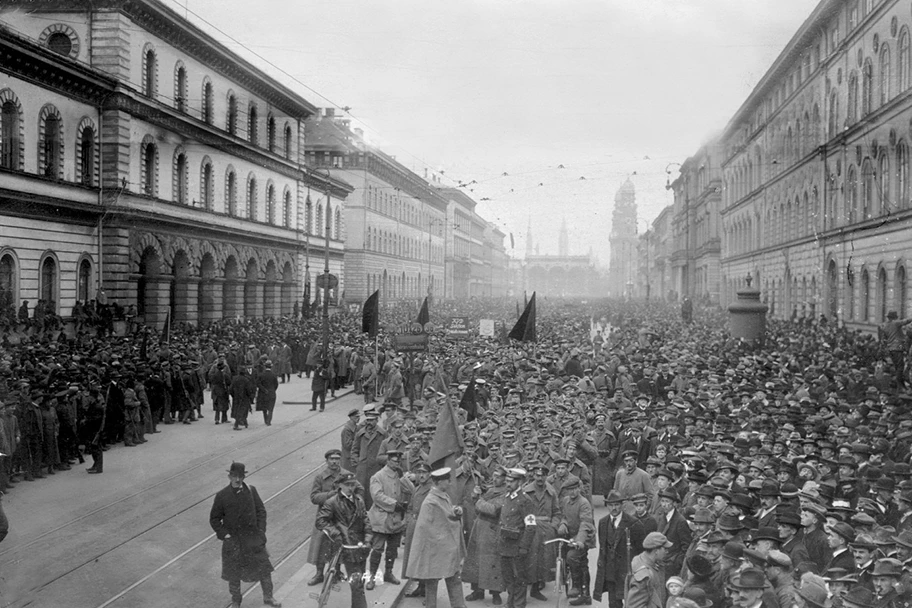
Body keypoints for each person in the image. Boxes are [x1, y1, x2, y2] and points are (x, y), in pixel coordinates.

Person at [208, 462, 282, 608]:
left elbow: (261, 511)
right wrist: (225, 535)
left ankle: (268, 597)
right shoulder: (222, 496)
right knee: (233, 574)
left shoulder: (251, 491)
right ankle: (236, 601)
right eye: (234, 476)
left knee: (264, 569)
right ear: (229, 476)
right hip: (234, 541)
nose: (237, 479)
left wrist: (261, 531)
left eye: (240, 476)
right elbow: (214, 519)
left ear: (244, 476)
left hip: (253, 539)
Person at [405, 467, 467, 608]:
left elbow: (447, 515)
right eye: (447, 480)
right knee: (432, 582)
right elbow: (426, 528)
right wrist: (453, 519)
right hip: (435, 550)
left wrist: (456, 512)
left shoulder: (443, 496)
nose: (449, 483)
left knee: (452, 578)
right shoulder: (430, 502)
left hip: (443, 548)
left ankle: (459, 606)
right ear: (439, 482)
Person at [316, 471, 371, 608]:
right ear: (340, 485)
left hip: (360, 546)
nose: (350, 488)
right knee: (357, 583)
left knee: (360, 581)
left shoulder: (359, 501)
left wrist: (368, 539)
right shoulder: (332, 502)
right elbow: (321, 521)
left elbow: (366, 521)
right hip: (345, 547)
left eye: (352, 485)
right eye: (347, 485)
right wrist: (336, 534)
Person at [365, 449, 414, 590]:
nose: (396, 463)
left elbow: (410, 490)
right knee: (377, 549)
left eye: (398, 461)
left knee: (392, 549)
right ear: (388, 461)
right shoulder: (378, 476)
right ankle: (372, 578)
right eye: (394, 461)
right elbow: (377, 495)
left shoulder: (399, 475)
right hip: (381, 518)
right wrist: (394, 504)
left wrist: (404, 477)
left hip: (396, 520)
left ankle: (389, 573)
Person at [594, 490, 647, 608]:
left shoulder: (634, 524)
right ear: (607, 506)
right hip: (610, 571)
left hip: (627, 572)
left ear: (622, 505)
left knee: (631, 603)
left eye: (617, 505)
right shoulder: (603, 523)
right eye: (611, 505)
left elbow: (641, 550)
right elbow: (603, 549)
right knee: (613, 604)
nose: (614, 508)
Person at [307, 449, 352, 587]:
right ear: (326, 461)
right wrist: (330, 495)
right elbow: (314, 497)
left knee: (338, 544)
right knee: (320, 546)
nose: (334, 461)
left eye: (337, 458)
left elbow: (353, 493)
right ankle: (319, 574)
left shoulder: (347, 475)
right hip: (324, 516)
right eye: (331, 459)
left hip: (341, 516)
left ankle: (336, 572)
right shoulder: (320, 477)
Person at [496, 467, 536, 608]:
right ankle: (510, 603)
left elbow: (531, 526)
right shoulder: (506, 497)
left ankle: (518, 605)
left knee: (519, 579)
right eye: (506, 481)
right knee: (508, 578)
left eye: (511, 481)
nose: (508, 484)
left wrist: (524, 547)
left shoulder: (525, 500)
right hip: (505, 545)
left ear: (519, 482)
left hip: (518, 546)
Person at [559, 477, 596, 606]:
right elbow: (563, 516)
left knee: (573, 557)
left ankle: (578, 588)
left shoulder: (584, 503)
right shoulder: (566, 501)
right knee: (567, 558)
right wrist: (563, 524)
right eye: (570, 490)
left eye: (574, 489)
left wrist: (579, 540)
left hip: (584, 537)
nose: (572, 492)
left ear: (579, 488)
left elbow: (585, 523)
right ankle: (583, 593)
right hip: (570, 536)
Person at [626, 532, 672, 608]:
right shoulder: (644, 575)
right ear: (656, 551)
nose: (667, 552)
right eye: (665, 549)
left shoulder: (644, 560)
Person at [879, 311, 912, 390]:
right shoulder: (896, 323)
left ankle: (900, 384)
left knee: (897, 367)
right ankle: (900, 384)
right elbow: (907, 321)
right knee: (900, 367)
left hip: (890, 349)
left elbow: (883, 340)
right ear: (895, 317)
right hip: (898, 347)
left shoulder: (885, 326)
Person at [230, 366, 256, 430]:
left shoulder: (234, 379)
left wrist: (234, 395)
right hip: (244, 398)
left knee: (237, 410)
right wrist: (250, 396)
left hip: (236, 398)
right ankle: (236, 425)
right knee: (243, 411)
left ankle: (244, 422)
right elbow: (249, 390)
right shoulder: (246, 380)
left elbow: (230, 389)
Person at [255, 360, 279, 426]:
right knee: (271, 409)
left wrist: (263, 389)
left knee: (264, 408)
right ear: (271, 367)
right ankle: (269, 421)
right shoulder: (274, 375)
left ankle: (265, 420)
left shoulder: (261, 375)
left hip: (263, 394)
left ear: (265, 366)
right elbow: (276, 384)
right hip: (272, 393)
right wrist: (273, 390)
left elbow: (257, 383)